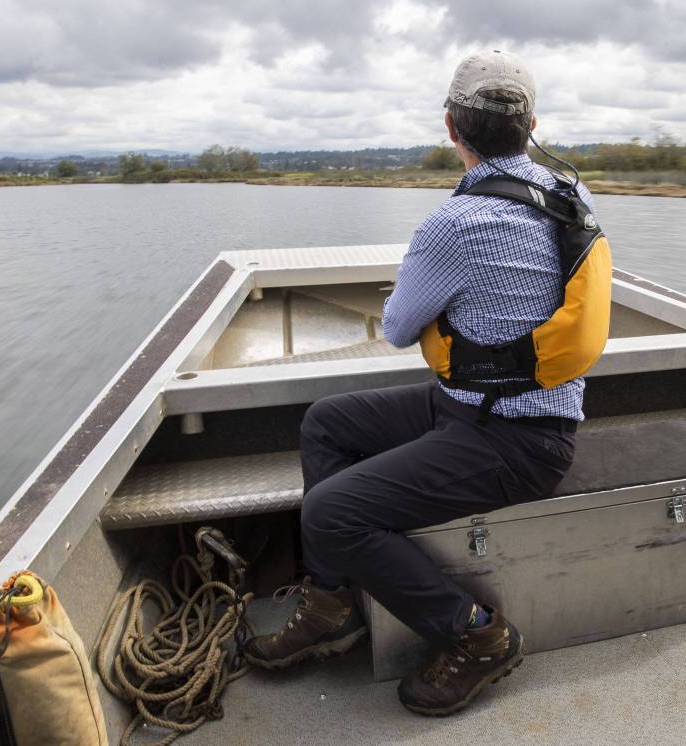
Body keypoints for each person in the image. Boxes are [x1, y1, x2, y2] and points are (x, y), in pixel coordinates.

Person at [244, 50, 609, 716]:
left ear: (451, 129)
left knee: (330, 512)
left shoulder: (453, 225)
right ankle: (331, 602)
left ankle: (478, 636)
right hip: (491, 414)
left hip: (513, 444)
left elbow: (398, 327)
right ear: (531, 125)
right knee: (328, 421)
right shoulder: (571, 195)